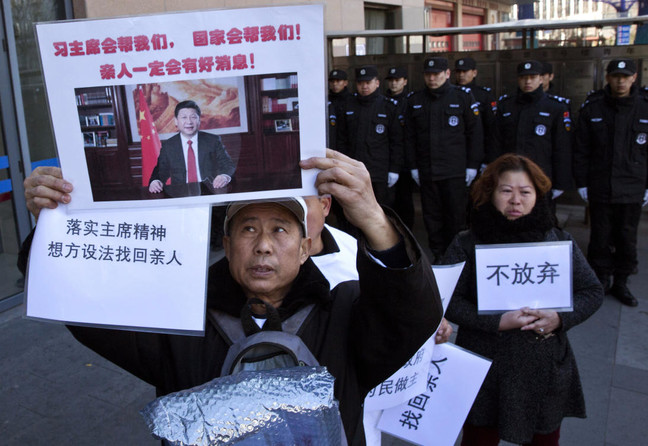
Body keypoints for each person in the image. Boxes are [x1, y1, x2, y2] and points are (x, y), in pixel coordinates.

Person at [20, 149, 443, 445]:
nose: (263, 245)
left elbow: (410, 313)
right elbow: (86, 309)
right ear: (225, 241)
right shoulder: (179, 319)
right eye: (248, 228)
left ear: (304, 246)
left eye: (280, 230)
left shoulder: (346, 313)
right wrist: (54, 226)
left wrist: (371, 215)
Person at [444, 153, 603, 446]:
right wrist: (496, 321)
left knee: (544, 437)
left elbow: (592, 291)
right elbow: (448, 300)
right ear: (490, 193)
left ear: (538, 196)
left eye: (525, 192)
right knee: (479, 437)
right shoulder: (467, 242)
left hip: (543, 364)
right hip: (484, 363)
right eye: (506, 191)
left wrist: (560, 318)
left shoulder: (556, 240)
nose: (515, 200)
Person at [573, 58, 648, 307]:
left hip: (633, 186)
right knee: (600, 236)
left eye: (626, 76)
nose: (620, 81)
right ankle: (601, 280)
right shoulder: (593, 108)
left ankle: (622, 282)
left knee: (627, 236)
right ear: (608, 77)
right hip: (600, 185)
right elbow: (581, 148)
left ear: (634, 77)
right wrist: (581, 181)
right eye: (616, 76)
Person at [406, 56, 484, 264]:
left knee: (456, 218)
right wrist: (413, 166)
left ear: (447, 74)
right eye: (428, 74)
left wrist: (473, 165)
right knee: (432, 218)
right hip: (428, 171)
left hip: (455, 171)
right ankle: (439, 255)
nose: (432, 79)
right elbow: (410, 138)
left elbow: (475, 134)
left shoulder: (462, 97)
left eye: (437, 74)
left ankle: (458, 257)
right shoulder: (416, 100)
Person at [496, 60, 572, 203]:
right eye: (524, 78)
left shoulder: (555, 107)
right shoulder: (506, 105)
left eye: (532, 77)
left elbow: (562, 147)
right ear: (518, 79)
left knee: (541, 220)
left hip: (541, 175)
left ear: (541, 79)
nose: (528, 81)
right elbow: (496, 141)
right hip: (510, 175)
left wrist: (561, 182)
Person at [337, 65, 403, 207]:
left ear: (377, 83)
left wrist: (394, 169)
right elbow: (341, 140)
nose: (364, 86)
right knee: (354, 210)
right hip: (353, 170)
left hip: (379, 170)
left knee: (380, 210)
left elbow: (396, 141)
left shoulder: (388, 107)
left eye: (368, 82)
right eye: (361, 83)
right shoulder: (348, 106)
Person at [149, 100, 235, 193]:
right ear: (176, 121)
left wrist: (224, 176)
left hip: (209, 190)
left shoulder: (212, 141)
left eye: (193, 117)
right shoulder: (168, 146)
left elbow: (227, 164)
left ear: (199, 120)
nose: (189, 122)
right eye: (184, 117)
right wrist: (155, 181)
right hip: (180, 193)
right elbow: (160, 170)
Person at [384, 66, 416, 229]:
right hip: (388, 159)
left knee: (405, 200)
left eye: (397, 80)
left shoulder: (411, 101)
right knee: (389, 202)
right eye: (391, 81)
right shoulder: (382, 102)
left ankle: (407, 231)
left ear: (405, 81)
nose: (394, 84)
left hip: (406, 161)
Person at [452, 57, 498, 169]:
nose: (461, 75)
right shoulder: (450, 93)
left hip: (477, 151)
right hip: (454, 152)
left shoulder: (484, 95)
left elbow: (491, 129)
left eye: (465, 71)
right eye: (458, 72)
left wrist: (488, 159)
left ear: (474, 73)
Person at [327, 69, 351, 151]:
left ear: (345, 83)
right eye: (332, 81)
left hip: (347, 146)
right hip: (330, 144)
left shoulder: (352, 100)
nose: (334, 84)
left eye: (338, 81)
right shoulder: (325, 100)